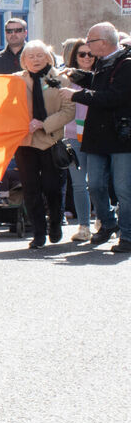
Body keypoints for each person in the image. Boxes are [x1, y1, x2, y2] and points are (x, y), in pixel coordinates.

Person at [60, 22, 131, 252]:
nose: (87, 47)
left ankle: (128, 236)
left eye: (90, 41)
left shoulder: (127, 64)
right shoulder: (102, 62)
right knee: (96, 185)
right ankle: (108, 223)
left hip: (121, 137)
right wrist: (77, 75)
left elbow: (112, 97)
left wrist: (77, 96)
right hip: (97, 135)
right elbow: (98, 84)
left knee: (122, 188)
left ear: (104, 42)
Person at [12, 41, 75, 249]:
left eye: (40, 55)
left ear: (48, 57)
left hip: (50, 140)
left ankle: (55, 223)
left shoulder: (60, 79)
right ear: (24, 60)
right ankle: (38, 232)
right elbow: (5, 108)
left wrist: (44, 124)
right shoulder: (15, 80)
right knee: (30, 189)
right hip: (25, 141)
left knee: (52, 187)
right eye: (31, 56)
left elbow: (68, 111)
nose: (36, 60)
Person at [60, 38, 95, 241]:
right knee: (80, 184)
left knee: (99, 183)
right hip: (73, 136)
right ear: (75, 56)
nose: (87, 57)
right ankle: (84, 226)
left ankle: (103, 219)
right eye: (82, 54)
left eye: (90, 54)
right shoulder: (67, 78)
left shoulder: (102, 76)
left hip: (100, 136)